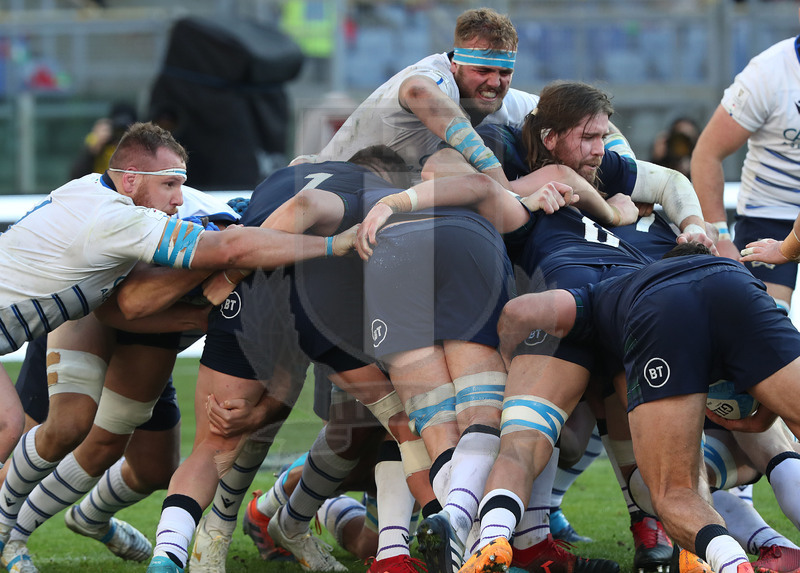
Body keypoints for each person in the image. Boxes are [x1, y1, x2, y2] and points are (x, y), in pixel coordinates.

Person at [0, 121, 356, 573]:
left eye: (181, 184)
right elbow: (132, 300)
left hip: (97, 314)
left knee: (148, 463)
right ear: (129, 179)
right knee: (35, 428)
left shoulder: (107, 194)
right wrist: (331, 244)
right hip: (88, 319)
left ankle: (75, 519)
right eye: (168, 183)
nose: (179, 196)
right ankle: (11, 535)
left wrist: (205, 306)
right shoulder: (126, 219)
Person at [462, 245, 800, 573]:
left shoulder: (614, 287)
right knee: (763, 452)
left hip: (656, 307)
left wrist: (509, 363)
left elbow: (518, 312)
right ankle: (764, 542)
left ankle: (731, 563)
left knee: (672, 493)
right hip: (737, 284)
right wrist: (768, 411)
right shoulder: (723, 268)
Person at [314, 7, 536, 188]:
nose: (495, 83)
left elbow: (560, 113)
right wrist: (495, 174)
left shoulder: (505, 102)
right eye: (483, 71)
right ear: (455, 65)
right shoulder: (436, 76)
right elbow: (417, 90)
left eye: (505, 73)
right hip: (327, 189)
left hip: (382, 209)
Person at [691, 9, 800, 316]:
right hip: (769, 214)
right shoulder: (767, 73)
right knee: (764, 324)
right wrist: (721, 235)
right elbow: (706, 154)